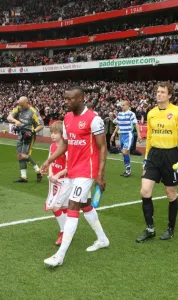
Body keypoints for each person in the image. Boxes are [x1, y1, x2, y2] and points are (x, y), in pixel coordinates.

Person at [41, 86, 109, 267]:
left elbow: (103, 147)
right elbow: (64, 145)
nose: (66, 102)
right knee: (86, 204)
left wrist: (100, 175)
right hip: (72, 170)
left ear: (81, 99)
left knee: (72, 205)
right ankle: (102, 239)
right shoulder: (67, 119)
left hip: (87, 171)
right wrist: (49, 161)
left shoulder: (93, 119)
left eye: (70, 99)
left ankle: (60, 255)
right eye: (65, 99)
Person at [136, 82, 178, 242]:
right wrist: (146, 159)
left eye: (162, 92)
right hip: (154, 155)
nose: (159, 94)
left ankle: (170, 228)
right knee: (145, 191)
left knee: (170, 193)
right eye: (158, 92)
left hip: (171, 155)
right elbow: (150, 138)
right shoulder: (151, 113)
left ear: (169, 95)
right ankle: (150, 228)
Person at [7, 96, 44, 183]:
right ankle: (24, 177)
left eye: (22, 105)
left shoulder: (33, 112)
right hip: (21, 133)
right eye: (19, 105)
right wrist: (15, 121)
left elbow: (41, 125)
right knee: (19, 155)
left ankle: (39, 171)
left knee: (24, 155)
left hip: (29, 134)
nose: (21, 107)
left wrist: (33, 132)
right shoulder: (19, 108)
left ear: (27, 103)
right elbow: (9, 117)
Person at [46, 121, 68, 246]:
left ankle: (64, 232)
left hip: (64, 181)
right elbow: (50, 161)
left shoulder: (67, 148)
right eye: (51, 133)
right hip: (53, 180)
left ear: (62, 133)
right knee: (63, 208)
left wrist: (57, 175)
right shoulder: (52, 146)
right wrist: (50, 174)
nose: (52, 135)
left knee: (55, 207)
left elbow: (70, 167)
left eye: (55, 133)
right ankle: (67, 231)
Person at [110, 100, 142, 177]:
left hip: (128, 135)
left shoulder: (131, 114)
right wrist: (113, 134)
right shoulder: (120, 114)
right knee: (124, 154)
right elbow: (118, 125)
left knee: (124, 152)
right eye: (122, 105)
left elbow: (136, 124)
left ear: (128, 106)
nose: (122, 106)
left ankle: (128, 170)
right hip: (121, 136)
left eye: (124, 105)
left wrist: (139, 134)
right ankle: (127, 171)